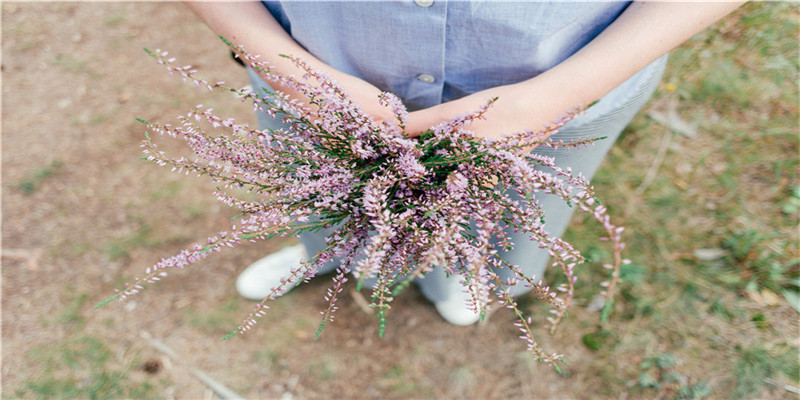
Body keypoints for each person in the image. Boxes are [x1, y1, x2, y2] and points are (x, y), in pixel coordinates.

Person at [186, 1, 743, 326]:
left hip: (558, 88)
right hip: (317, 75)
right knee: (326, 197)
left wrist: (560, 96)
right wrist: (282, 68)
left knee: (513, 219)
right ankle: (329, 255)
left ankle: (467, 279)